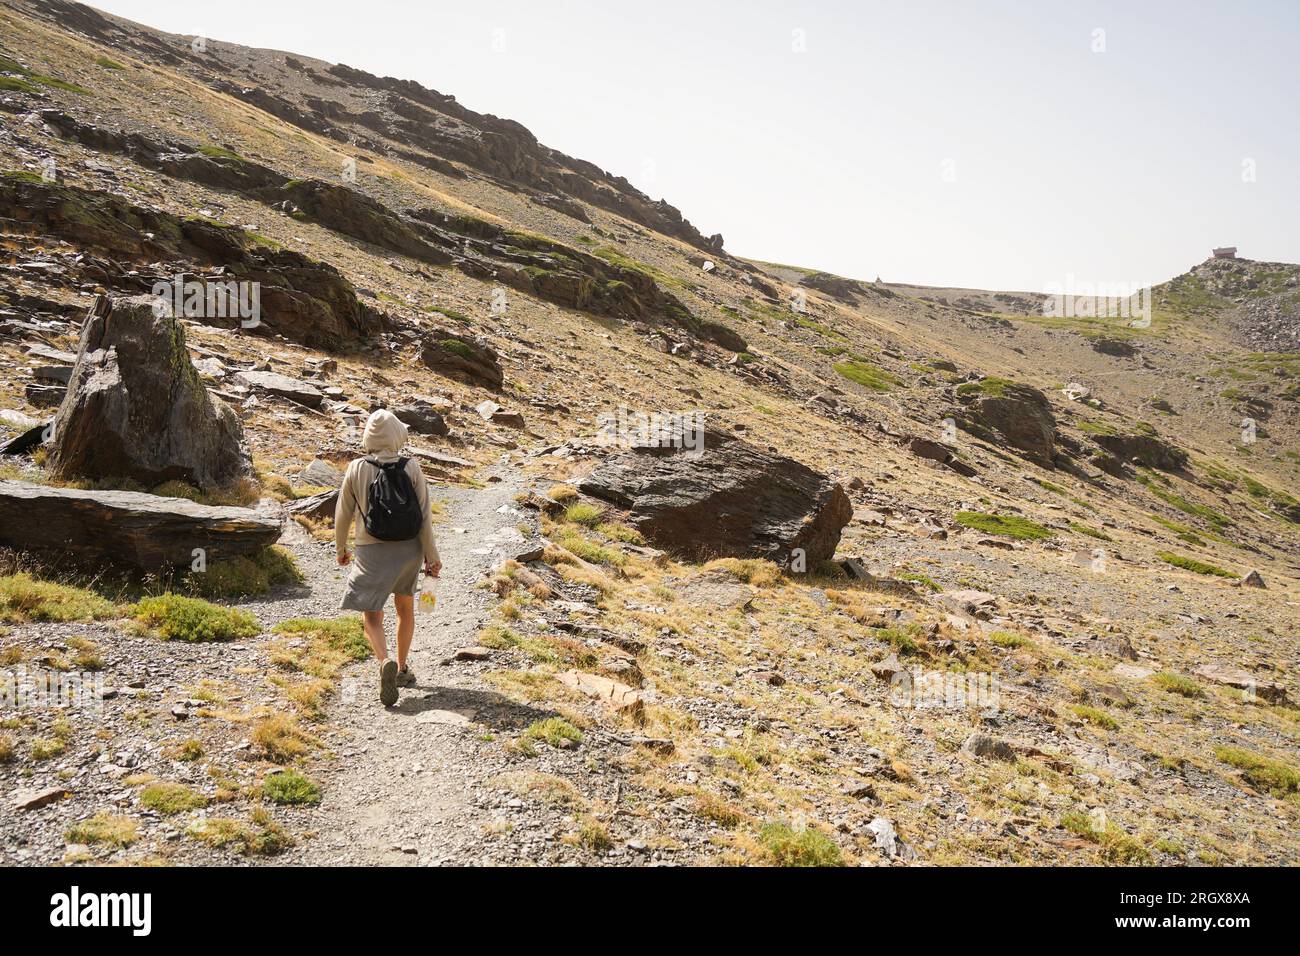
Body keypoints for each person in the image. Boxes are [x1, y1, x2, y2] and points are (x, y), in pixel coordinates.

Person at [335, 409, 441, 705]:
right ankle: (403, 668)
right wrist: (432, 556)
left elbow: (342, 513)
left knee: (372, 614)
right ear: (397, 435)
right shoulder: (412, 467)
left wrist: (341, 548)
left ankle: (384, 661)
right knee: (405, 608)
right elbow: (424, 516)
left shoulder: (356, 467)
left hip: (371, 550)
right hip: (409, 550)